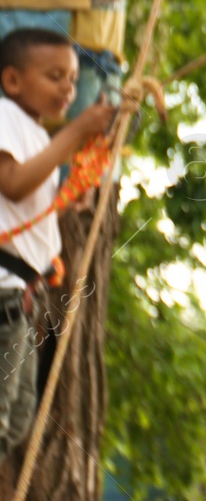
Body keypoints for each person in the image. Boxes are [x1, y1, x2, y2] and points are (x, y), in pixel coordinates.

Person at [0, 28, 115, 459]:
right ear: (13, 81)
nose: (68, 88)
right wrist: (76, 132)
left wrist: (65, 203)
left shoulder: (34, 133)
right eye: (54, 76)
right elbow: (11, 186)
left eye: (71, 78)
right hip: (4, 292)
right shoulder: (4, 116)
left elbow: (22, 211)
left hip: (21, 293)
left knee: (16, 422)